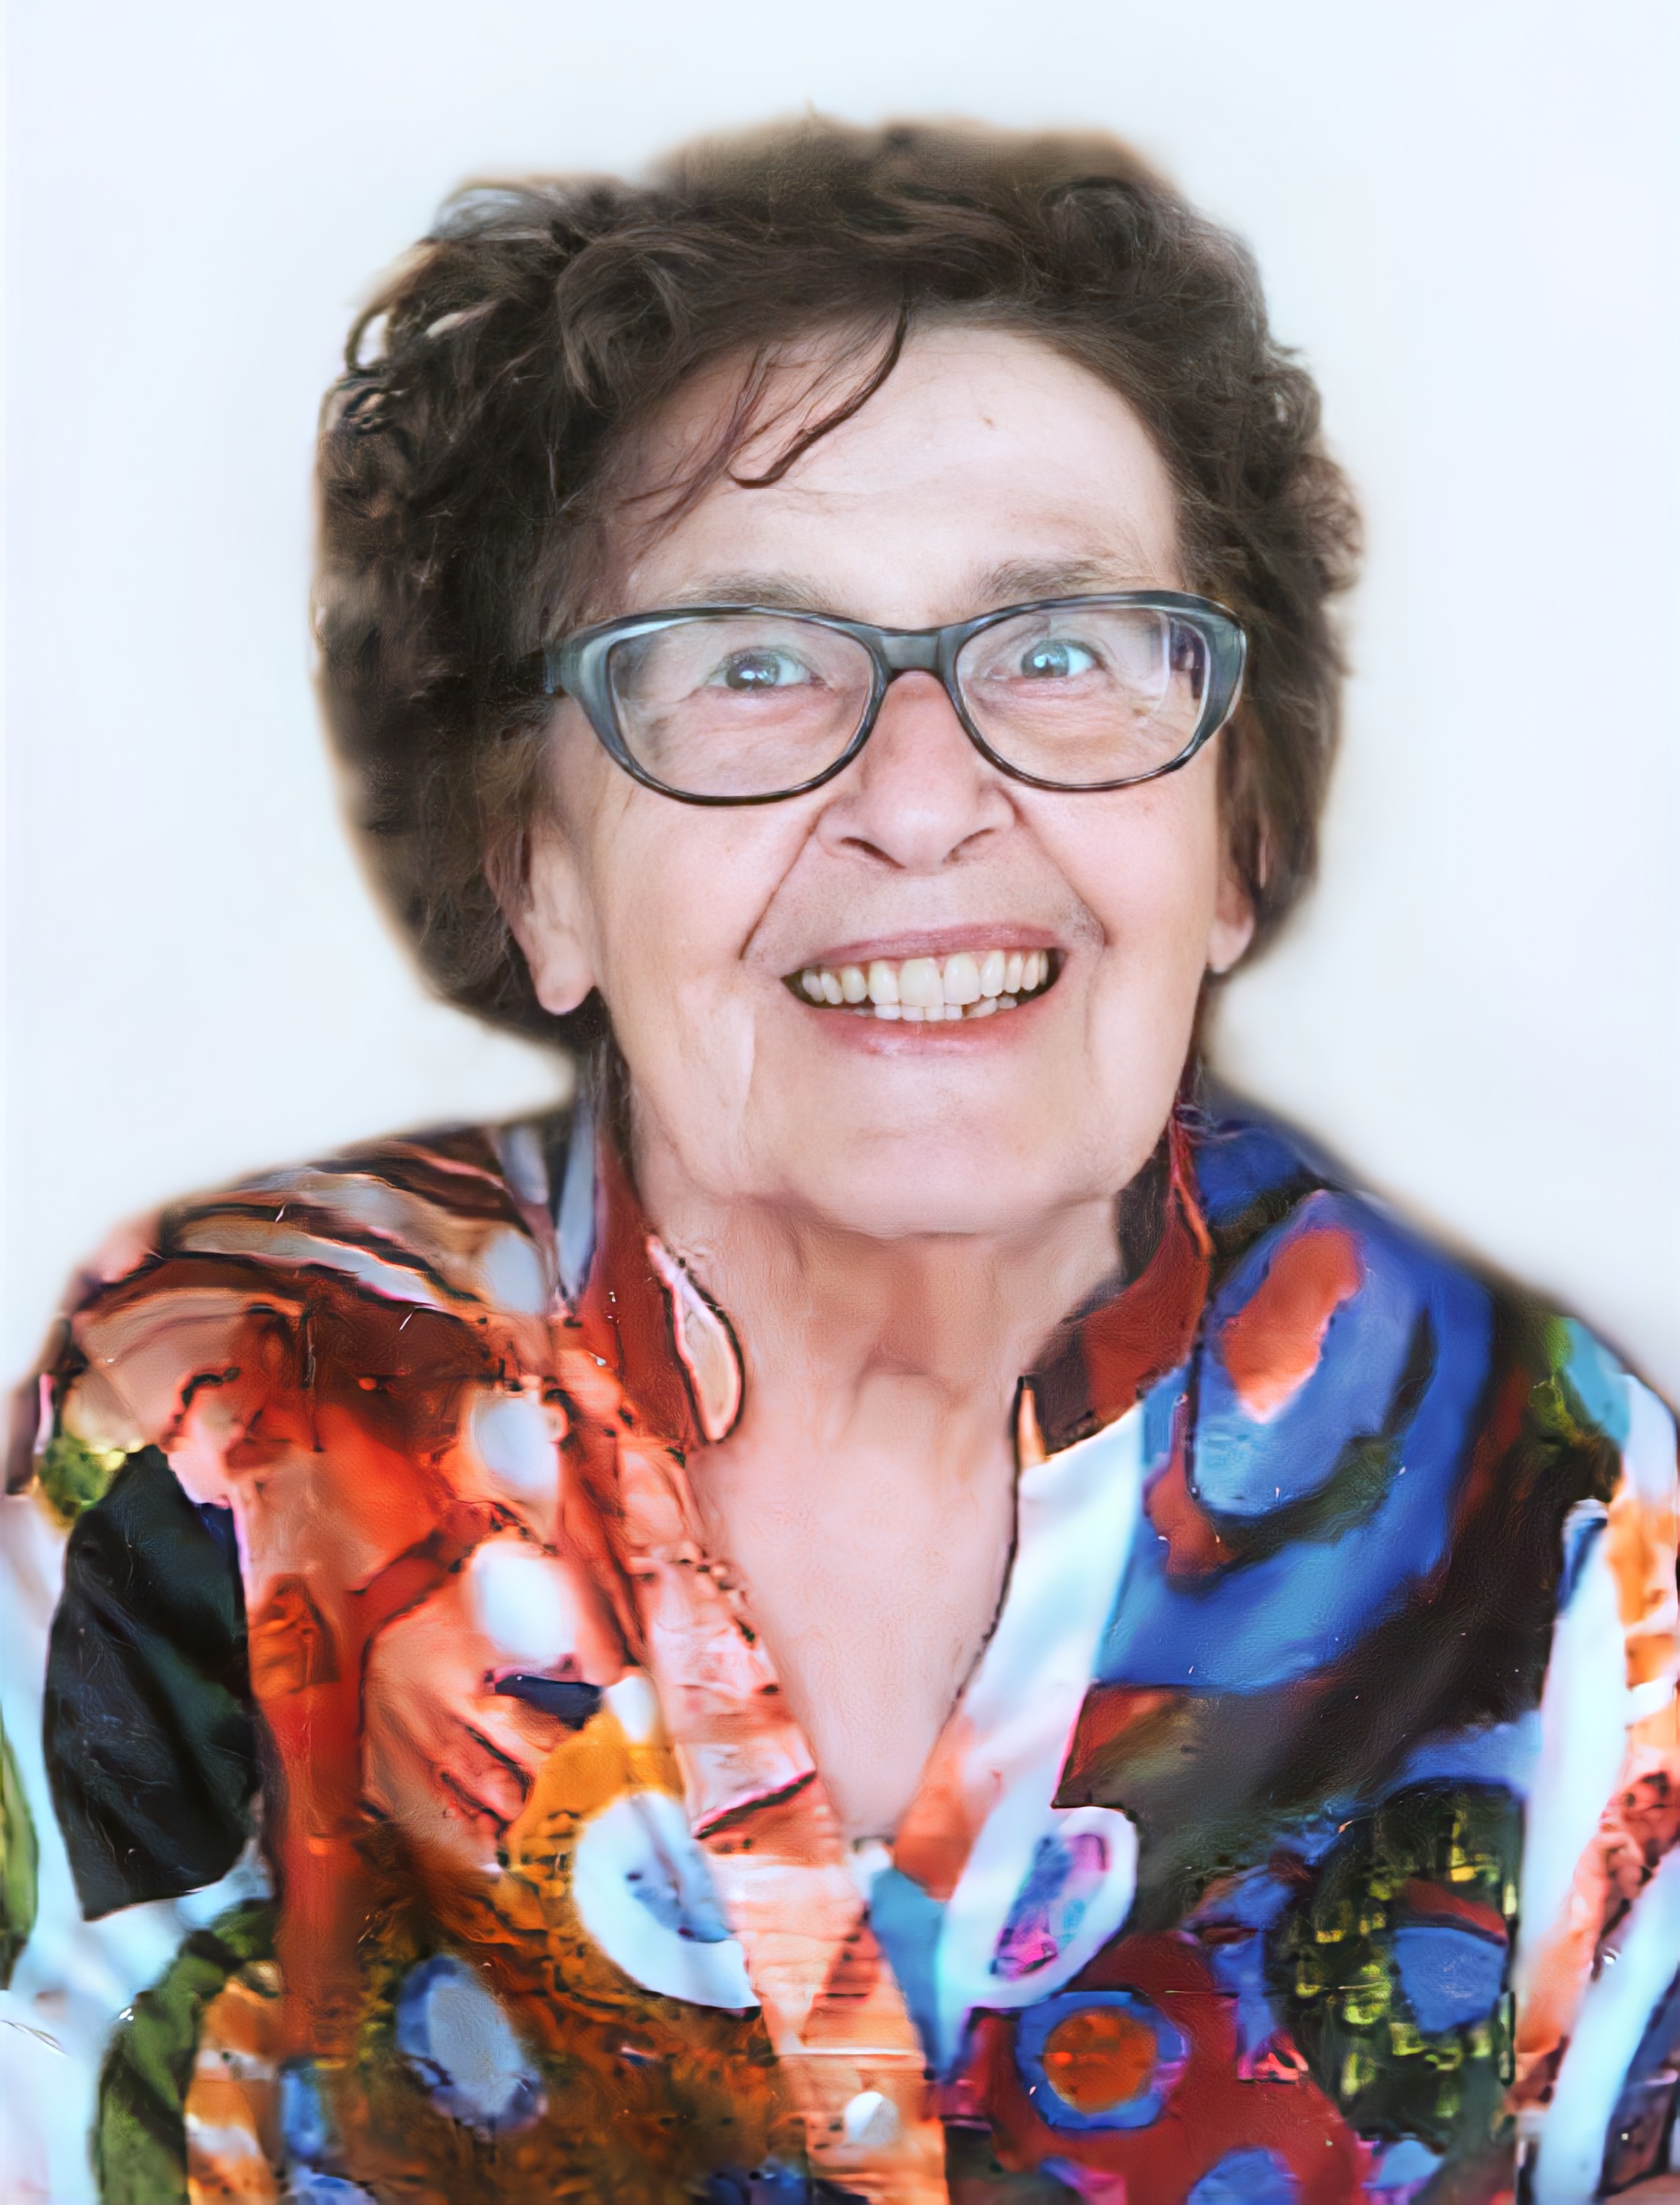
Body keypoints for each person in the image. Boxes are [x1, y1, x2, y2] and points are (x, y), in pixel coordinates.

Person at [3, 118, 1675, 2205]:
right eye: (749, 666)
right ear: (539, 875)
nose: (920, 797)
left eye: (1057, 650)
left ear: (1232, 840)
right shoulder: (236, 1423)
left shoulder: (1541, 1483)